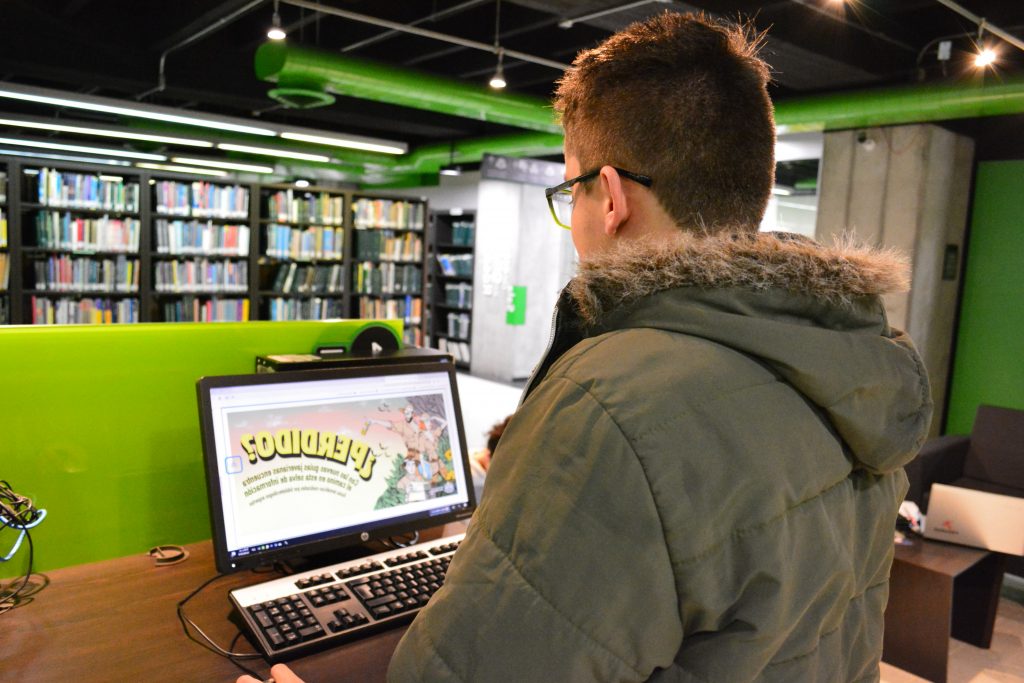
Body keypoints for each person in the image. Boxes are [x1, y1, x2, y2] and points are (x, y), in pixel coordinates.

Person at [241, 10, 931, 683]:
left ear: (608, 197)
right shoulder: (851, 359)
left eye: (569, 185)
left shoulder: (610, 405)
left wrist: (571, 449)